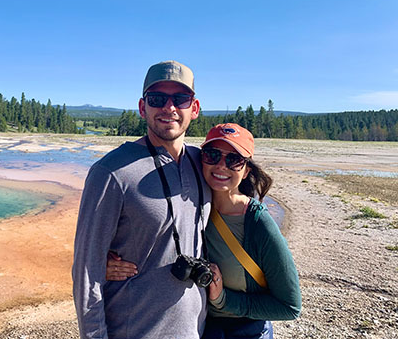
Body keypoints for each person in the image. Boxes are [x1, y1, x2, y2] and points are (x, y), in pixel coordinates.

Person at [106, 123, 302, 339]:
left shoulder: (257, 223)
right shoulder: (191, 204)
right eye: (212, 155)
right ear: (201, 159)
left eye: (234, 159)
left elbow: (290, 306)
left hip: (245, 331)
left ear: (246, 171)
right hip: (200, 327)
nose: (221, 166)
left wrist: (224, 300)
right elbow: (155, 239)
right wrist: (110, 263)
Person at [72, 60, 212, 338]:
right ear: (142, 107)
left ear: (194, 109)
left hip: (194, 330)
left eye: (180, 98)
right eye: (157, 98)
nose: (169, 108)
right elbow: (87, 272)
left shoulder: (205, 164)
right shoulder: (110, 172)